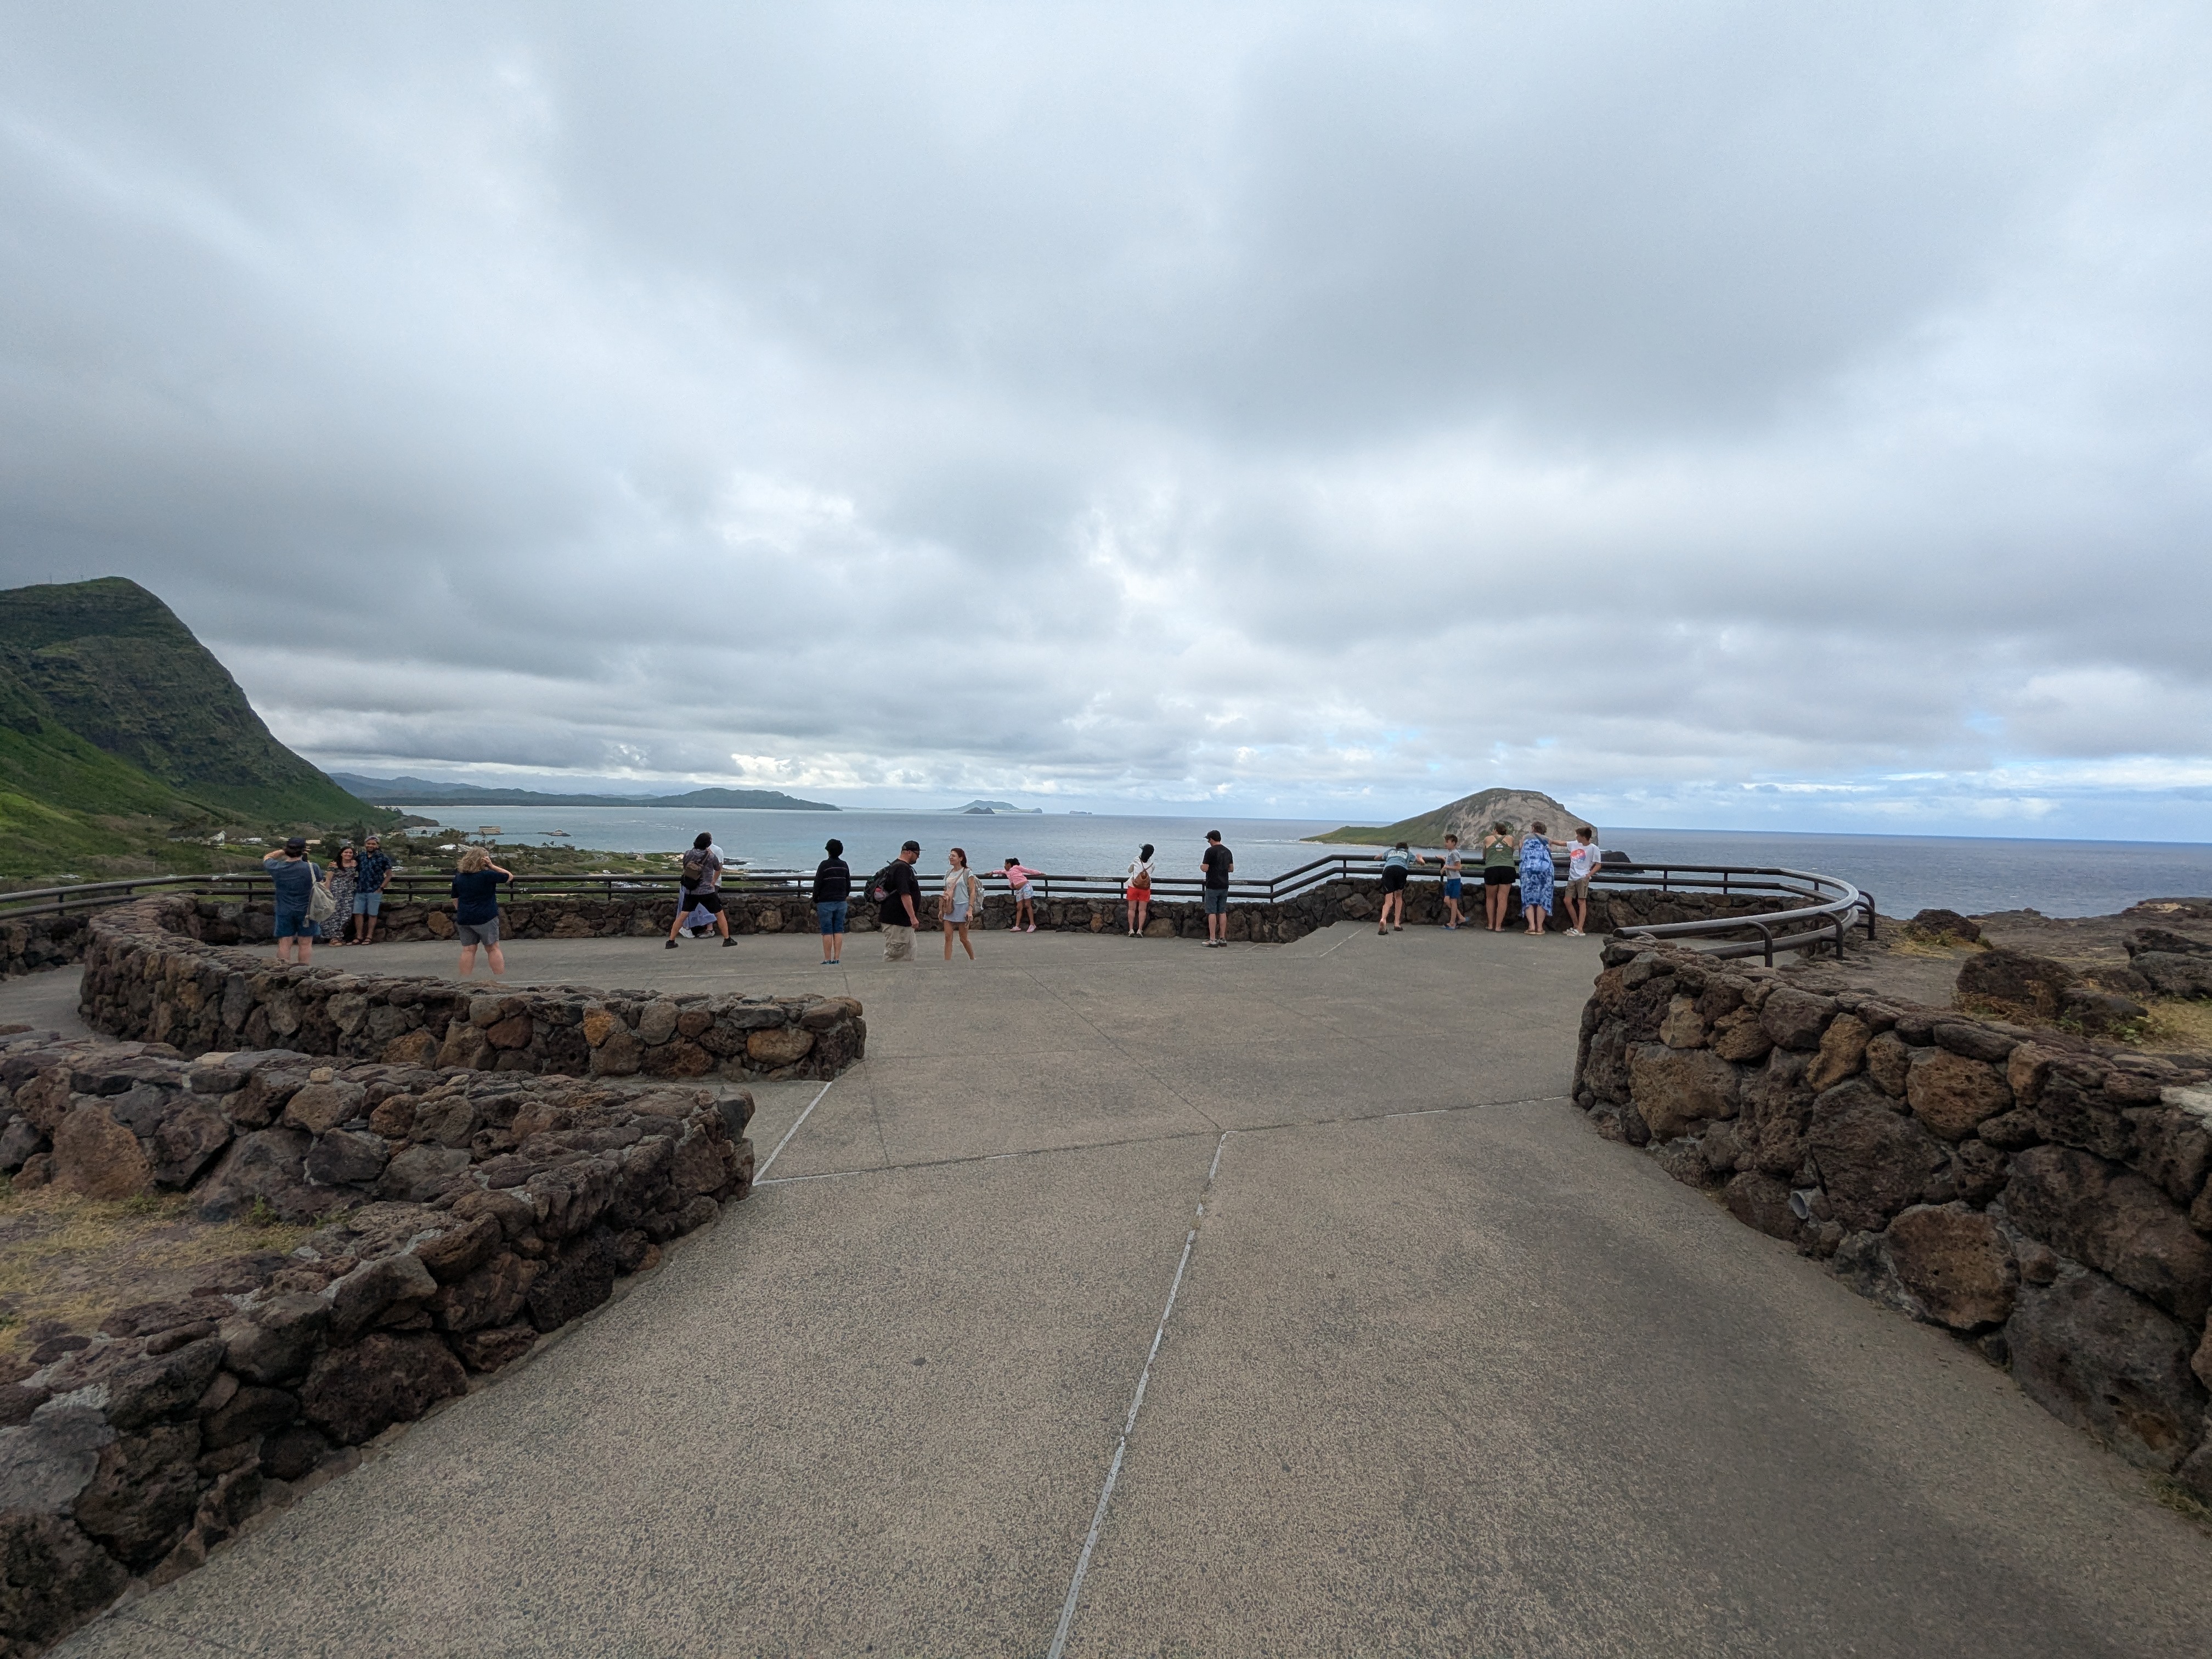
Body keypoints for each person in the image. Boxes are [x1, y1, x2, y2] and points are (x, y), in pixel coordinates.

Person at [451, 844, 512, 977]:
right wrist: (492, 866)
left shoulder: (459, 877)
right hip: (486, 917)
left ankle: (465, 981)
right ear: (483, 860)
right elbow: (509, 876)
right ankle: (500, 977)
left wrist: (461, 911)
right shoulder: (487, 875)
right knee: (492, 948)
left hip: (465, 918)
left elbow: (455, 898)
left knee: (468, 950)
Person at [262, 837, 323, 966]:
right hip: (307, 910)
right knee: (305, 943)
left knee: (285, 942)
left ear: (287, 849)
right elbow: (319, 882)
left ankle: (283, 970)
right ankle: (303, 971)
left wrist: (283, 851)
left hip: (284, 909)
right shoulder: (312, 868)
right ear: (303, 850)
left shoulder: (277, 868)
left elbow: (267, 857)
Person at [667, 832, 733, 949]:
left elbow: (685, 866)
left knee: (682, 916)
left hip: (690, 890)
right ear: (708, 843)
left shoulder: (688, 854)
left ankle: (671, 941)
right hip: (707, 891)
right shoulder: (711, 856)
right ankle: (727, 939)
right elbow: (718, 869)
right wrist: (713, 882)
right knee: (719, 914)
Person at [1518, 820, 1571, 937]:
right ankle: (1540, 927)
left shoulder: (1525, 837)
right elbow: (1549, 851)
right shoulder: (1547, 840)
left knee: (1528, 896)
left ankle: (1531, 926)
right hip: (1545, 869)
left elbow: (1521, 851)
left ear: (1533, 828)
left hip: (1528, 868)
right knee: (1544, 896)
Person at [875, 840, 923, 961]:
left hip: (903, 922)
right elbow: (905, 894)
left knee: (909, 953)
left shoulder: (896, 866)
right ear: (909, 852)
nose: (918, 857)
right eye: (917, 853)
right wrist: (913, 917)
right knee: (895, 954)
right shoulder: (902, 869)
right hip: (897, 921)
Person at [812, 838, 851, 964]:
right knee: (838, 930)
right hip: (841, 902)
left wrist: (816, 898)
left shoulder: (824, 865)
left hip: (825, 902)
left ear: (829, 851)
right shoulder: (844, 865)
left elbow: (817, 884)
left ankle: (827, 959)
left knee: (827, 931)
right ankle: (837, 958)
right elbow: (848, 885)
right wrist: (843, 896)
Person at [941, 847, 981, 961]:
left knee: (963, 938)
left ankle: (972, 958)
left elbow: (972, 892)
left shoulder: (968, 873)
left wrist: (970, 909)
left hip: (963, 907)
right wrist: (942, 908)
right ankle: (947, 962)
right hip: (950, 907)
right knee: (948, 937)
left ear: (961, 858)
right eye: (950, 855)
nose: (951, 857)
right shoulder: (949, 873)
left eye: (953, 856)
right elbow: (946, 890)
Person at [354, 833, 393, 944]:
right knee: (358, 913)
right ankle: (359, 936)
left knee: (373, 914)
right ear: (365, 845)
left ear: (377, 846)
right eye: (369, 843)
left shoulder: (383, 858)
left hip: (375, 890)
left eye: (373, 844)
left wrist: (381, 888)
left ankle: (369, 937)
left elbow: (389, 875)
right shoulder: (360, 857)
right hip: (361, 889)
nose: (371, 845)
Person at [1562, 825, 1601, 937]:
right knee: (1567, 901)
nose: (1577, 837)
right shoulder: (1575, 844)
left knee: (1581, 901)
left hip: (1582, 877)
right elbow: (1563, 843)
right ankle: (1576, 925)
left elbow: (1598, 865)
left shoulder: (1594, 848)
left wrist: (1589, 874)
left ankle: (1580, 928)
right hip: (1572, 877)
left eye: (1578, 836)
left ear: (1584, 837)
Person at [1423, 833, 1466, 930]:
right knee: (1447, 900)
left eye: (1447, 842)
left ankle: (1452, 923)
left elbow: (1459, 867)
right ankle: (1461, 918)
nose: (1445, 844)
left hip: (1455, 880)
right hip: (1450, 880)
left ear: (1454, 843)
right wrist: (1444, 859)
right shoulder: (1450, 853)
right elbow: (1451, 862)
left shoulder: (1455, 853)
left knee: (1453, 901)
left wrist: (1446, 867)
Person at [1480, 820, 1517, 932]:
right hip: (1507, 868)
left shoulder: (1488, 839)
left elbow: (1484, 855)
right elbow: (1511, 852)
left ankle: (1491, 924)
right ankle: (1498, 926)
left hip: (1492, 869)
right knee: (1503, 898)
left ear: (1495, 830)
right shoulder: (1510, 839)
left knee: (1490, 898)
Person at [1200, 831, 1233, 947]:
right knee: (1222, 911)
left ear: (1211, 839)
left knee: (1212, 912)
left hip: (1212, 885)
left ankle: (1213, 939)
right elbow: (1231, 869)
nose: (1208, 842)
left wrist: (1201, 867)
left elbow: (1205, 868)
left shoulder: (1210, 851)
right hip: (1224, 885)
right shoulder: (1228, 851)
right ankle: (1223, 939)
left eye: (1208, 840)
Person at [323, 844, 360, 945]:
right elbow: (328, 880)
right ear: (341, 854)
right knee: (335, 914)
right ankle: (334, 938)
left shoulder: (355, 863)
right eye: (346, 852)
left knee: (346, 914)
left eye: (350, 853)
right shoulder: (334, 864)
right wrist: (327, 893)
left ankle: (339, 936)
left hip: (348, 892)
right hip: (335, 891)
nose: (348, 854)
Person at [1377, 842, 1413, 934]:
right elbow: (1421, 862)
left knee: (1388, 901)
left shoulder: (1390, 851)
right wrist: (1421, 858)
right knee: (1398, 897)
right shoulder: (1408, 853)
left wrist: (1380, 857)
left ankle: (1383, 919)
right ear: (1406, 848)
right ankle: (1397, 923)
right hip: (1401, 870)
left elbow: (1378, 857)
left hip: (1388, 871)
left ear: (1396, 848)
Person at [1124, 843, 1156, 937]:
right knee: (1142, 910)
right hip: (1145, 889)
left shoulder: (1136, 860)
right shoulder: (1152, 864)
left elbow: (1129, 871)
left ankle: (1131, 930)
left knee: (1131, 909)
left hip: (1133, 887)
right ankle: (1140, 930)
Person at [1003, 857, 1040, 932]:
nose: (1004, 866)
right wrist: (992, 872)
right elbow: (999, 871)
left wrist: (1039, 873)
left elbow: (1028, 871)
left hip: (1026, 887)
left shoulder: (1016, 867)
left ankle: (1032, 924)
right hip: (1019, 890)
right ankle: (1017, 926)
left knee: (1027, 905)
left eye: (1005, 864)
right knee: (1019, 907)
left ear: (1009, 865)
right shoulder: (1007, 872)